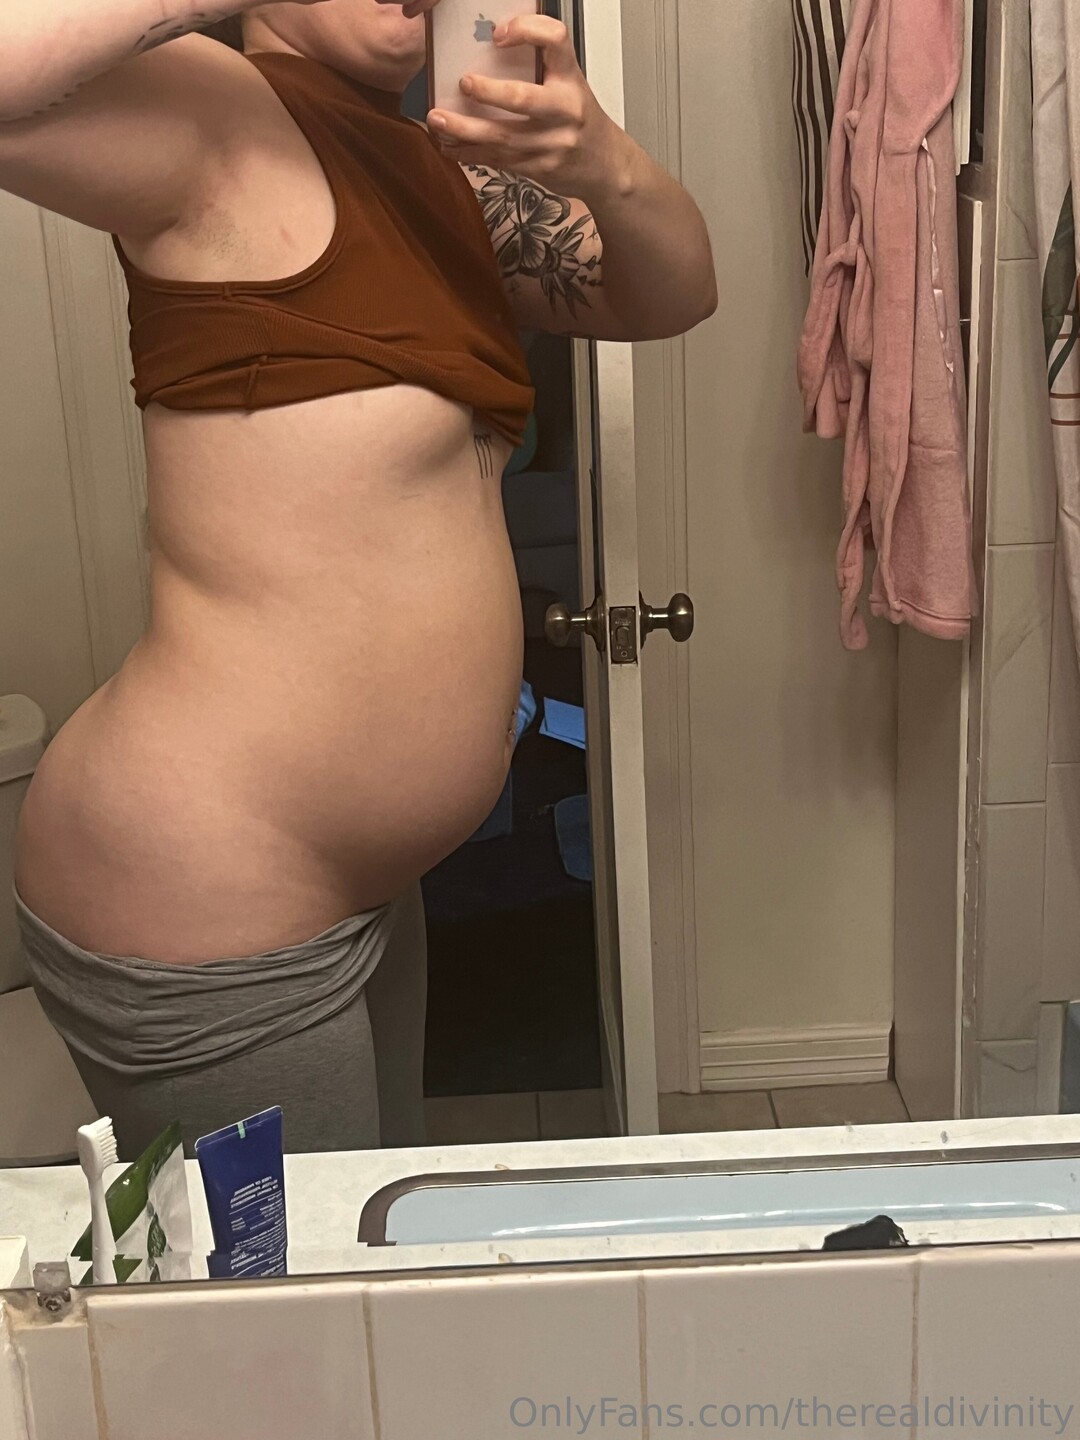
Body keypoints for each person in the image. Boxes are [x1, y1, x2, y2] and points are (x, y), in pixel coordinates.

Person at [3, 0, 717, 1155]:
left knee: (366, 1245)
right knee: (304, 1279)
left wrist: (604, 162)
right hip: (210, 904)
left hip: (359, 888)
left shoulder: (438, 178)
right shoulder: (219, 115)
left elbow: (674, 291)